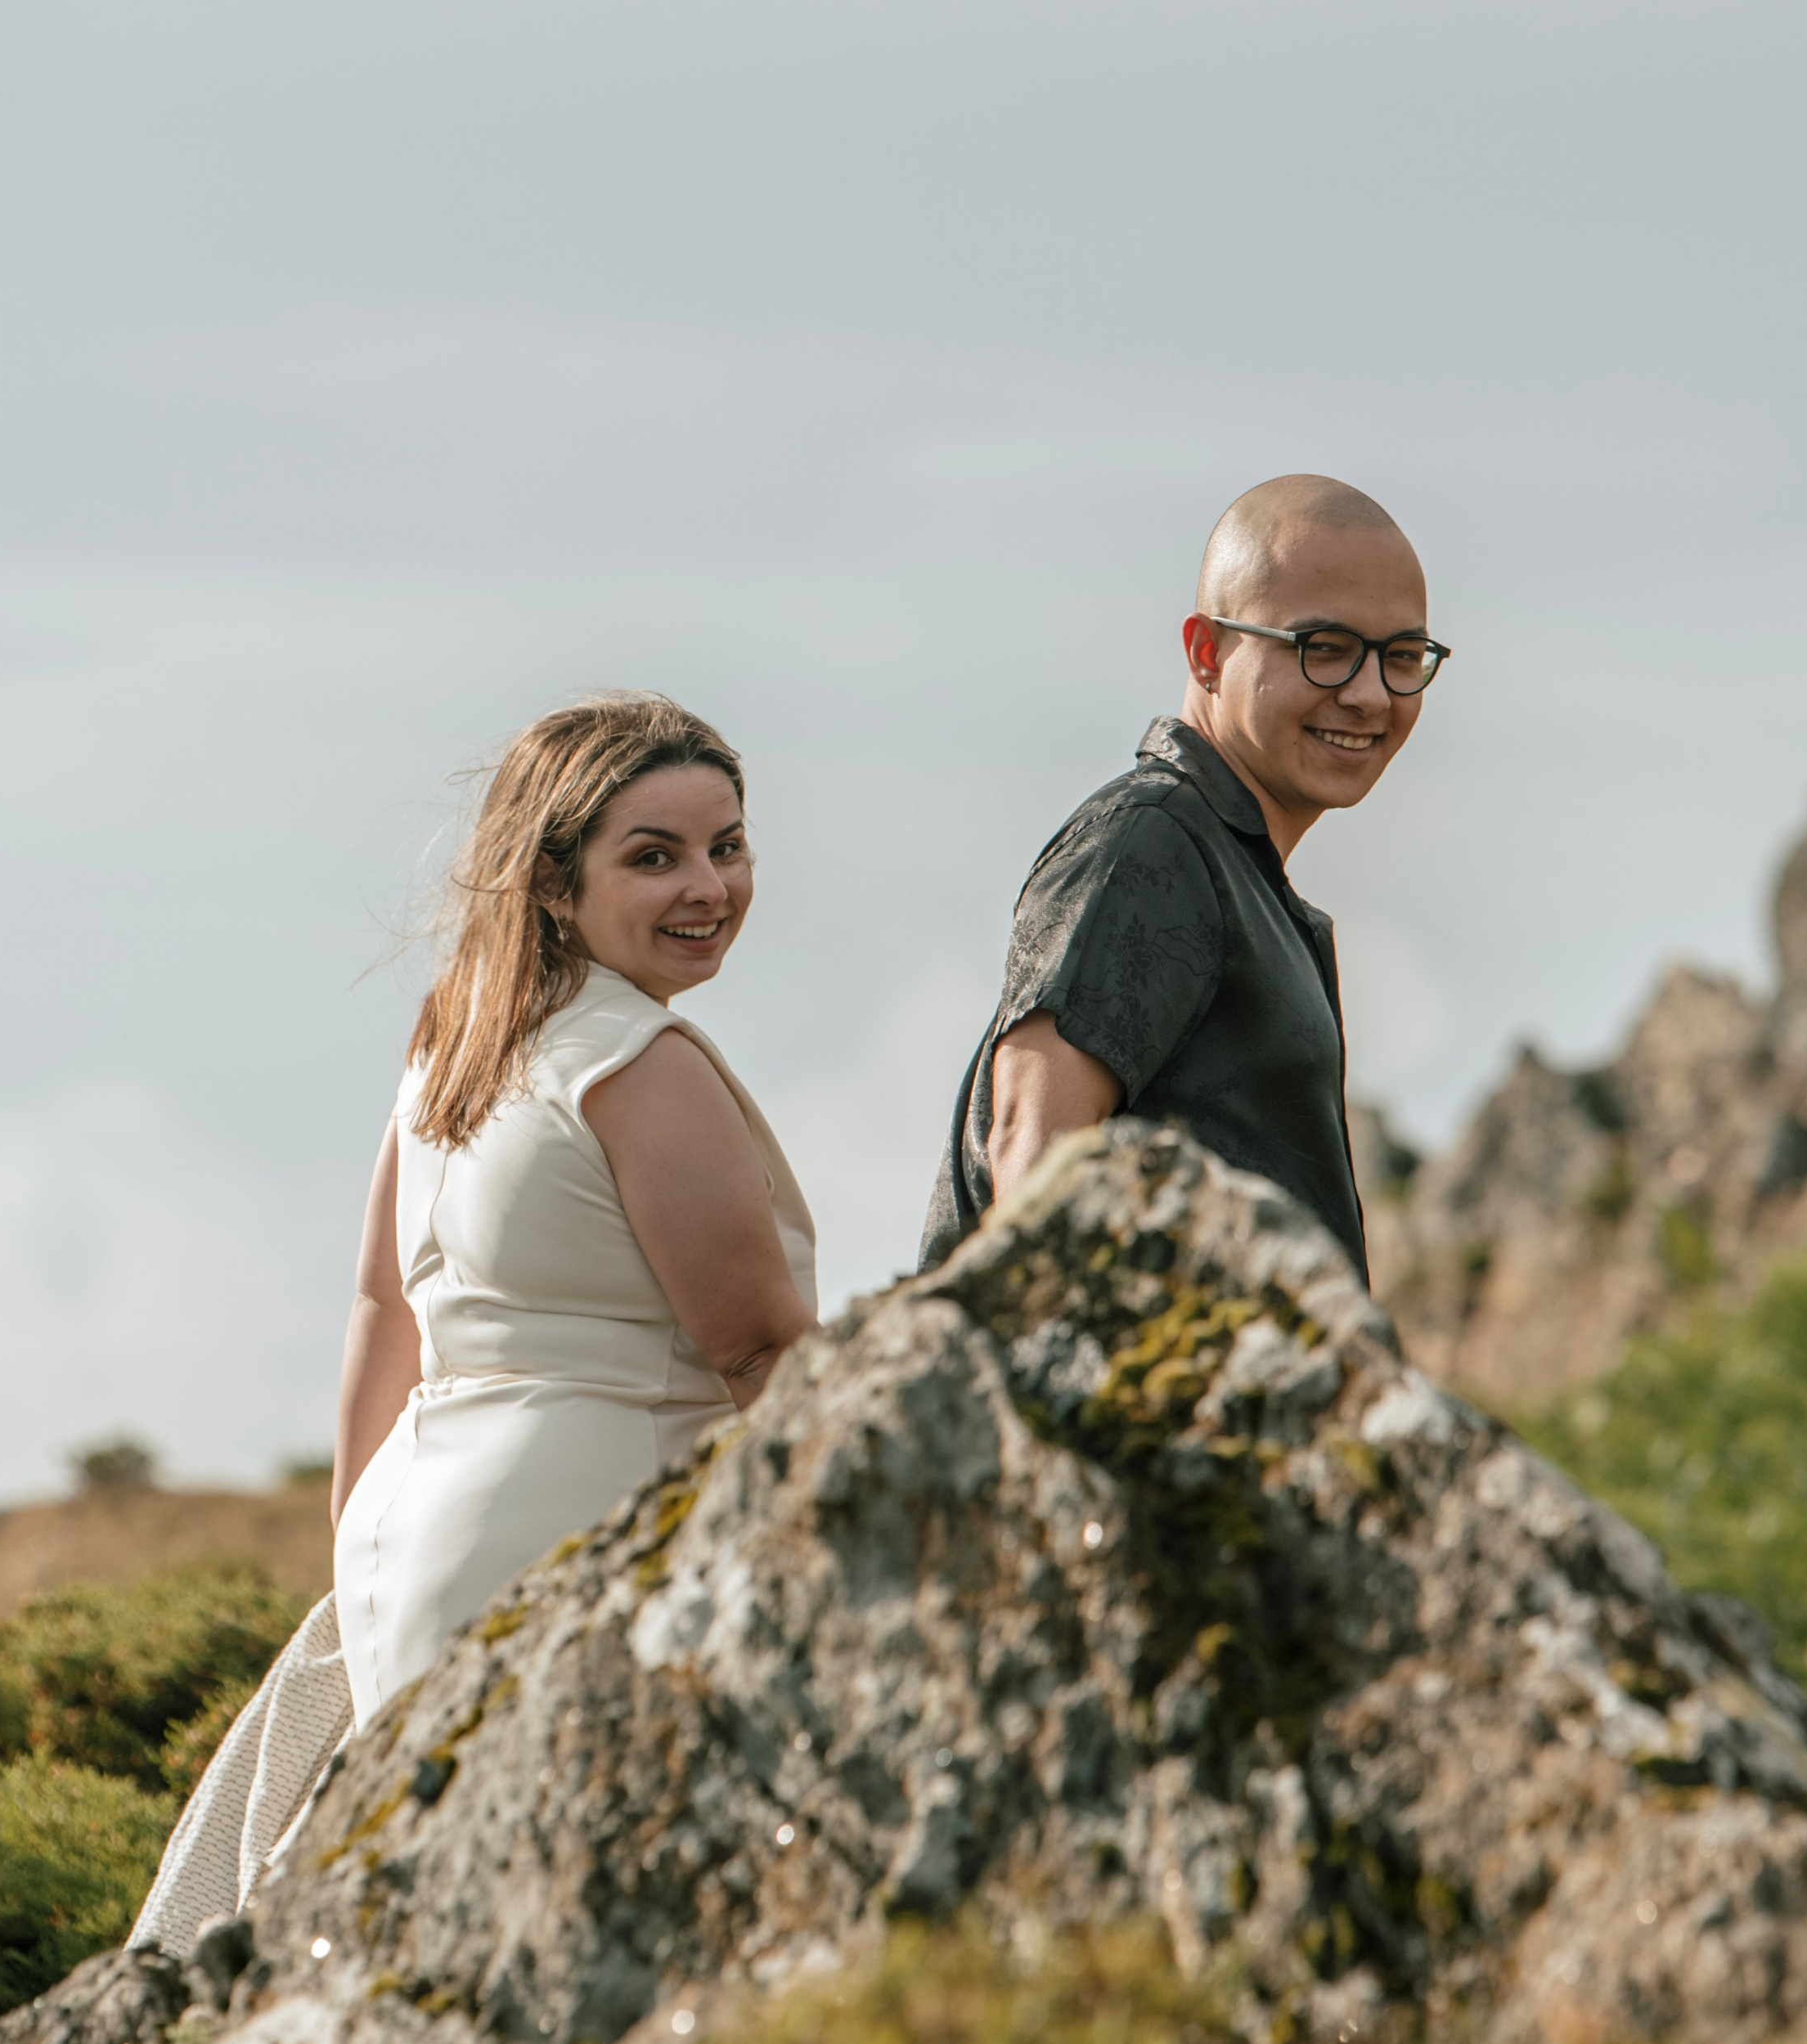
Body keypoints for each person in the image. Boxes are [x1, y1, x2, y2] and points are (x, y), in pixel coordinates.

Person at [330, 692, 819, 1727]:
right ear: (554, 880)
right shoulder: (640, 1062)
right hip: (583, 1551)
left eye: (726, 846)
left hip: (411, 1542)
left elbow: (385, 1303)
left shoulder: (459, 1032)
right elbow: (762, 1351)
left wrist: (355, 1542)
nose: (708, 886)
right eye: (654, 857)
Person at [920, 474, 1447, 1283]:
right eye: (1326, 649)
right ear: (1207, 652)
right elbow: (1032, 1161)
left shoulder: (1234, 872)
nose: (1371, 694)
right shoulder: (1149, 844)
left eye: (1402, 656)